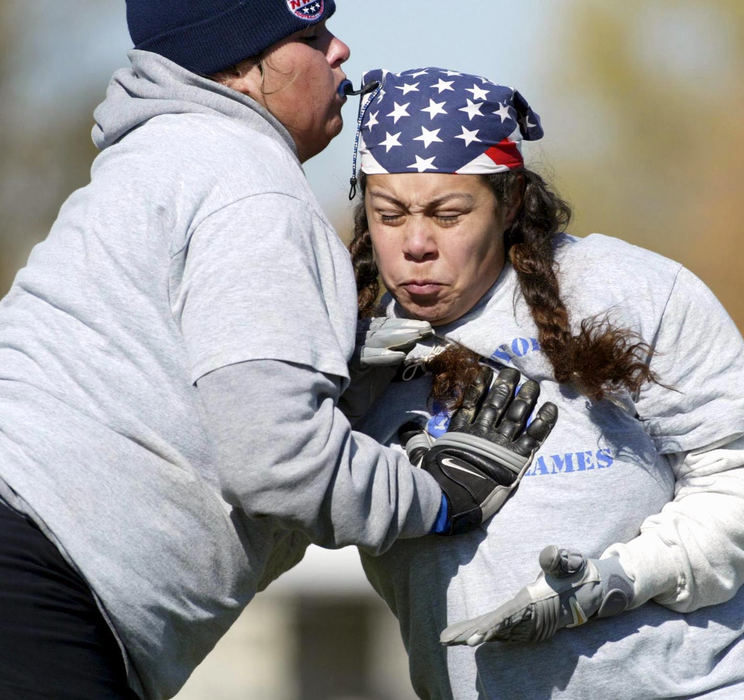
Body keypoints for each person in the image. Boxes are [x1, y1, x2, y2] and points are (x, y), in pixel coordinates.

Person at [0, 5, 556, 699]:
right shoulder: (250, 183)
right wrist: (435, 497)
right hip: (36, 583)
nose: (340, 51)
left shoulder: (164, 156)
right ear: (240, 66)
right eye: (313, 38)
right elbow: (277, 461)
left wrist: (347, 378)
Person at [345, 66, 744, 699]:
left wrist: (615, 581)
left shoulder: (631, 291)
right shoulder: (340, 338)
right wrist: (346, 387)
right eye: (390, 215)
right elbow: (273, 501)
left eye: (449, 214)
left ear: (509, 202)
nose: (416, 244)